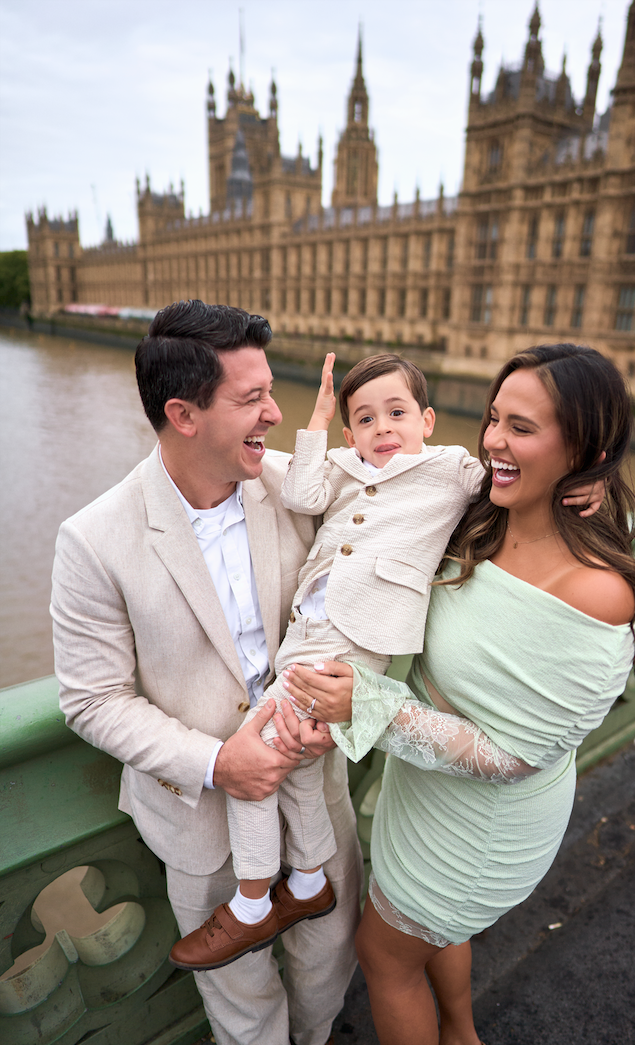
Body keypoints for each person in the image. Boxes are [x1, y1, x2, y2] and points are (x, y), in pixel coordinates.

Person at [172, 351, 606, 972]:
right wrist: (317, 420)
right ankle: (306, 885)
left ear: (428, 420)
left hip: (353, 640)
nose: (384, 431)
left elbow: (518, 480)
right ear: (351, 433)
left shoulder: (452, 470)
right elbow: (301, 490)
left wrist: (590, 480)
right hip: (307, 629)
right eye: (366, 420)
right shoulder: (347, 463)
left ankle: (250, 901)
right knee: (290, 762)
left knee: (253, 759)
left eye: (397, 414)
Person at [284, 343, 635, 1045]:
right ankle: (461, 1032)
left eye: (520, 427)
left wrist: (366, 704)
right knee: (426, 935)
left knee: (384, 955)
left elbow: (513, 754)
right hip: (421, 789)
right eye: (493, 419)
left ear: (584, 444)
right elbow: (372, 490)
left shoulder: (594, 592)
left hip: (478, 826)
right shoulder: (484, 511)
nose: (491, 440)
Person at [50, 300, 362, 1045]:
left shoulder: (302, 485)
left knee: (327, 969)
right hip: (200, 822)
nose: (275, 413)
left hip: (316, 791)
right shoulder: (92, 540)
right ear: (183, 414)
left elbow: (415, 511)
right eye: (251, 399)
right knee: (243, 1006)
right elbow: (92, 700)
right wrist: (221, 763)